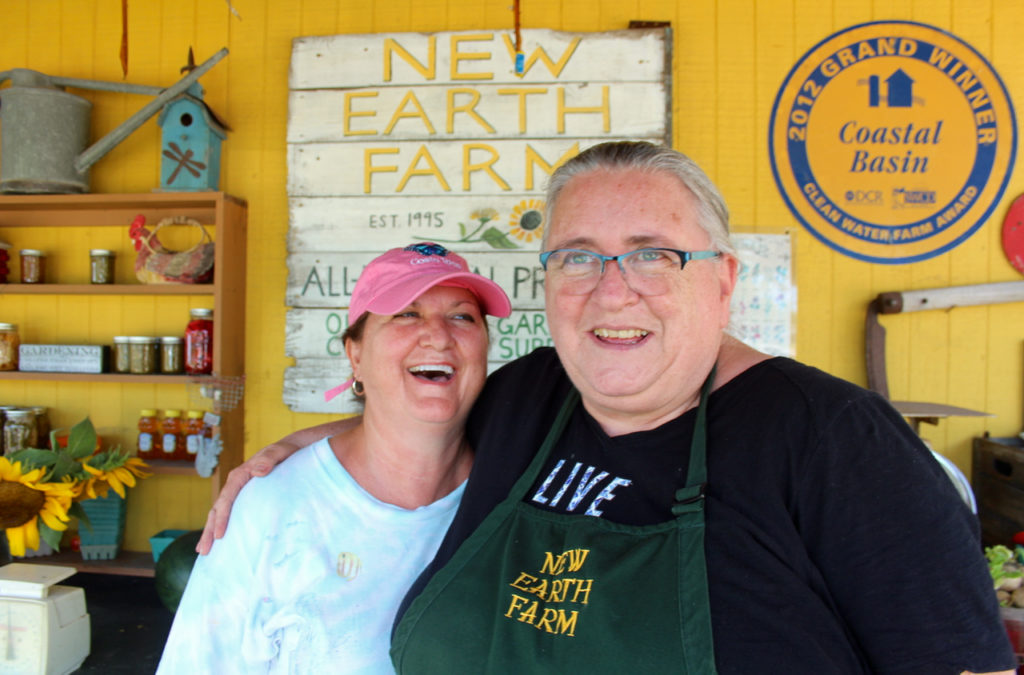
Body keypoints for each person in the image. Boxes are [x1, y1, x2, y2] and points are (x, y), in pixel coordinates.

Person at [202, 142, 1015, 674]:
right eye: (579, 257)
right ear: (547, 280)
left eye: (654, 255)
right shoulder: (528, 396)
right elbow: (416, 406)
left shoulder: (836, 443)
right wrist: (297, 451)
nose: (612, 287)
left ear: (723, 278)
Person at [157, 242, 511, 674]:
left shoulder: (518, 489)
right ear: (355, 356)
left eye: (462, 316)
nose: (438, 335)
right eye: (406, 313)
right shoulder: (272, 506)